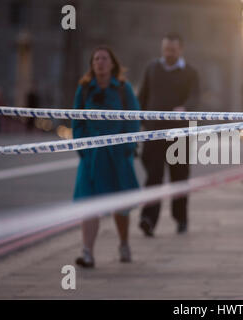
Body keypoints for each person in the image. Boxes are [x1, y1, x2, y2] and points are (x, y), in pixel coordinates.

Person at [72, 46, 141, 268]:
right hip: (91, 157)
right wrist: (84, 148)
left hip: (117, 156)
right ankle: (88, 252)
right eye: (96, 59)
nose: (100, 62)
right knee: (89, 204)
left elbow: (133, 120)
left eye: (104, 59)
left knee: (120, 205)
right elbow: (77, 122)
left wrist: (126, 147)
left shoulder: (123, 89)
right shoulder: (83, 90)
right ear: (92, 65)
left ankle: (123, 243)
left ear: (112, 64)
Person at [138, 32, 199, 236]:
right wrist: (138, 121)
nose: (168, 54)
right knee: (153, 178)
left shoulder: (190, 72)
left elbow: (195, 97)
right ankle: (148, 219)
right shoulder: (152, 68)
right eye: (165, 49)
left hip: (179, 134)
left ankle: (181, 218)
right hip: (154, 132)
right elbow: (142, 96)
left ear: (180, 50)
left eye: (172, 50)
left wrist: (185, 108)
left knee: (179, 177)